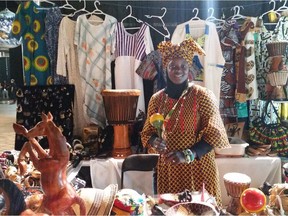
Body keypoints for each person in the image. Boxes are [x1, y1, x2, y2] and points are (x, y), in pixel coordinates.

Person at [140, 38, 230, 207]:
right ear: (166, 68)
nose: (178, 70)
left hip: (199, 166)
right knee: (173, 209)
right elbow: (147, 133)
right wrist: (154, 141)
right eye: (173, 66)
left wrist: (187, 155)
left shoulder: (202, 95)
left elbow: (215, 134)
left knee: (202, 210)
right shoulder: (156, 99)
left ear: (189, 69)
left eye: (183, 66)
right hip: (170, 168)